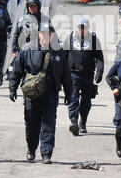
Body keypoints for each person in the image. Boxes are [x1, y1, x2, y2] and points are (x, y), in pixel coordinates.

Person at [9, 22, 73, 164]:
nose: (45, 36)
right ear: (38, 34)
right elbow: (17, 70)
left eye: (48, 34)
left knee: (49, 124)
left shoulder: (59, 52)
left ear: (52, 35)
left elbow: (66, 75)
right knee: (32, 123)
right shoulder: (27, 49)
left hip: (50, 93)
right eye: (42, 33)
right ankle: (31, 149)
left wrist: (69, 94)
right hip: (32, 93)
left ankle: (46, 154)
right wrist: (12, 88)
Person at [63, 17, 104, 135]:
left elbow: (99, 57)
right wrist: (62, 73)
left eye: (84, 27)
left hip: (88, 75)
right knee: (73, 98)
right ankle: (74, 122)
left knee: (86, 101)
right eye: (80, 27)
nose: (82, 29)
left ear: (88, 28)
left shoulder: (94, 40)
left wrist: (100, 71)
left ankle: (83, 122)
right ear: (77, 27)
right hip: (73, 74)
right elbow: (64, 56)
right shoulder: (69, 39)